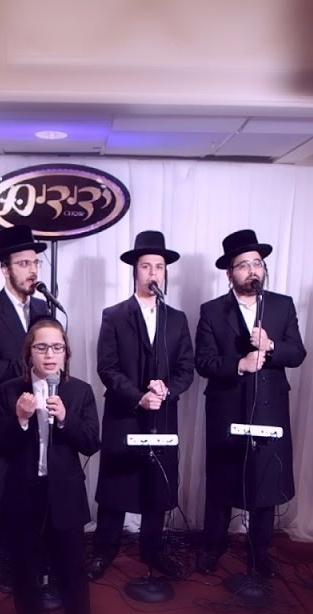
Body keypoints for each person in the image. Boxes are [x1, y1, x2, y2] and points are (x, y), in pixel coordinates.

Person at [194, 230, 306, 597]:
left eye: (257, 263)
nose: (252, 270)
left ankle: (260, 551)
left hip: (270, 406)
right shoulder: (212, 311)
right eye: (244, 265)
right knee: (222, 480)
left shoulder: (282, 306)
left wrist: (270, 347)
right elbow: (203, 362)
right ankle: (213, 547)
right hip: (227, 406)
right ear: (230, 273)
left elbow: (298, 353)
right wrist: (239, 364)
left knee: (265, 478)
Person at [0, 317, 100, 614]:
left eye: (57, 347)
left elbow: (92, 442)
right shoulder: (9, 391)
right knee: (25, 575)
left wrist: (66, 419)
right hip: (23, 497)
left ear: (66, 354)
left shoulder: (80, 391)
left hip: (64, 498)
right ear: (29, 354)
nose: (50, 354)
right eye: (41, 347)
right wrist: (20, 419)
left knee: (73, 575)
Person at [85, 231, 195, 582]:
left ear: (165, 273)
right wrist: (137, 396)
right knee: (116, 484)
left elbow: (186, 368)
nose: (153, 272)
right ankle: (104, 550)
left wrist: (167, 390)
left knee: (158, 483)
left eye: (159, 267)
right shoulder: (114, 315)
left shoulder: (177, 319)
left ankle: (152, 549)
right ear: (135, 271)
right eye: (146, 266)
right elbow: (107, 367)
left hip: (163, 413)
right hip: (124, 413)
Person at [0, 225, 50, 594]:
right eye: (23, 263)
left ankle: (26, 552)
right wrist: (26, 368)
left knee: (28, 481)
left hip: (36, 410)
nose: (32, 270)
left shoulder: (43, 308)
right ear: (5, 269)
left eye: (35, 262)